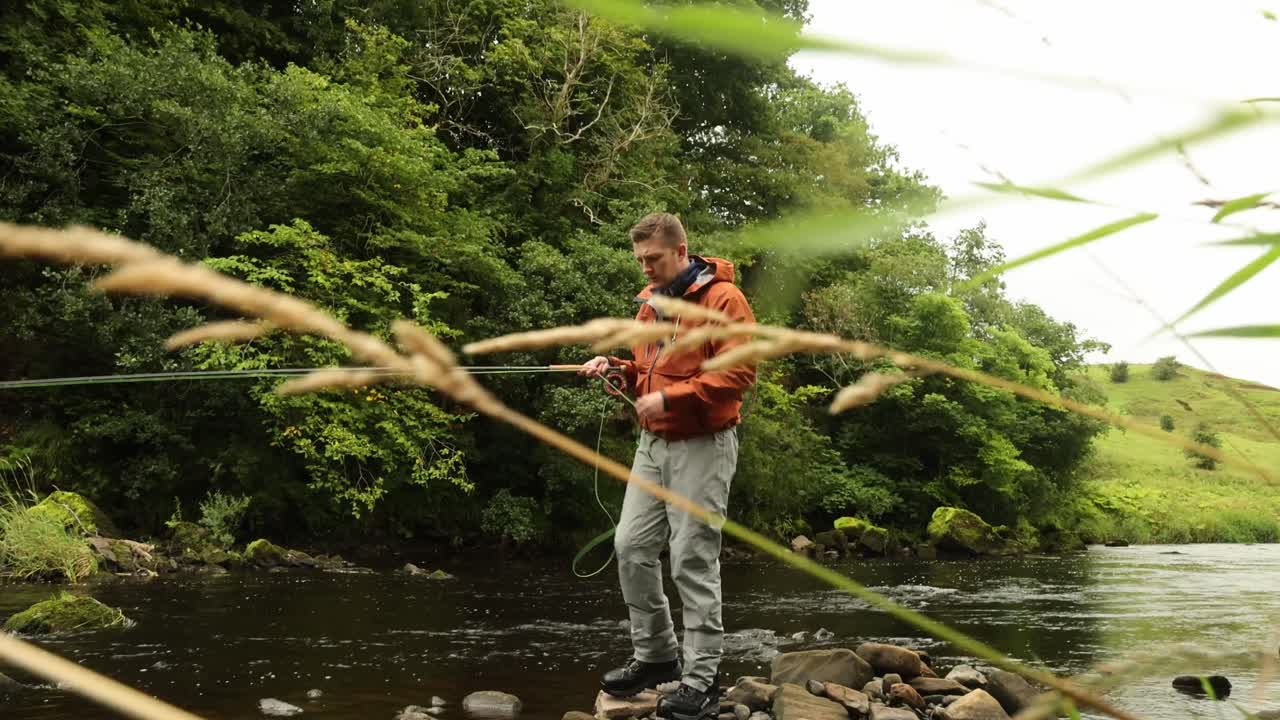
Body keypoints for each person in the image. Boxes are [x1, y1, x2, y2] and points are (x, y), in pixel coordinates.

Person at [580, 212, 756, 720]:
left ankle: (702, 680)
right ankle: (657, 657)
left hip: (704, 444)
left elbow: (740, 372)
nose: (646, 269)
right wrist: (615, 366)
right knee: (630, 546)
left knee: (691, 558)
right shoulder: (649, 307)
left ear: (681, 252)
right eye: (639, 260)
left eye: (652, 259)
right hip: (652, 447)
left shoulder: (724, 300)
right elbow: (645, 370)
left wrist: (673, 399)